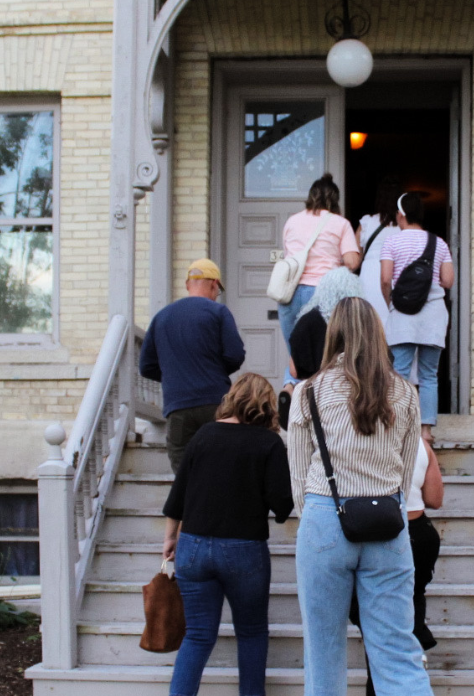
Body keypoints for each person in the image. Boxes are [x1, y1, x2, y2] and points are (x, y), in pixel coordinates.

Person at [287, 296, 433, 696]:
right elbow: (405, 471)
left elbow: (298, 473)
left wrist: (317, 517)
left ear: (333, 333)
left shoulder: (308, 392)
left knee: (323, 651)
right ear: (377, 333)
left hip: (325, 515)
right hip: (387, 516)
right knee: (397, 650)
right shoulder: (404, 392)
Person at [161, 373, 294, 696]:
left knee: (197, 635)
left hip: (192, 546)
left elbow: (178, 496)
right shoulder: (268, 443)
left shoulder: (205, 435)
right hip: (244, 550)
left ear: (232, 398)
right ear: (266, 405)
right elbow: (282, 507)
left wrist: (170, 539)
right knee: (250, 633)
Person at [350, 435, 444, 696]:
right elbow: (435, 499)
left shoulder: (362, 440)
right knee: (412, 597)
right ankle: (414, 642)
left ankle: (390, 671)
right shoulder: (422, 445)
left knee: (372, 613)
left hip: (384, 532)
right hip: (421, 532)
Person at [139, 258, 245, 474]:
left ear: (188, 284)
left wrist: (174, 374)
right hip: (215, 402)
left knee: (184, 474)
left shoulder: (161, 317)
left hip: (177, 405)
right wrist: (213, 370)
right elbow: (235, 355)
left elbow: (146, 366)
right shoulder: (218, 312)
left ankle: (189, 507)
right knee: (220, 467)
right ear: (214, 284)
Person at [277, 173, 360, 418]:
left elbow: (288, 255)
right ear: (334, 199)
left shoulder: (292, 221)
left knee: (296, 351)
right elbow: (351, 261)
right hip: (321, 294)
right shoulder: (340, 223)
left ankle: (289, 389)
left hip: (290, 293)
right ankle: (317, 406)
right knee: (324, 354)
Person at [380, 192, 454, 444]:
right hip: (433, 315)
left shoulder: (391, 243)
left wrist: (391, 303)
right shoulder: (439, 244)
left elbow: (386, 279)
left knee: (398, 373)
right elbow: (448, 280)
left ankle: (398, 428)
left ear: (401, 214)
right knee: (429, 375)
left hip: (403, 315)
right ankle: (425, 433)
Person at [288, 266, 365, 385]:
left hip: (315, 390)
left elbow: (293, 371)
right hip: (357, 389)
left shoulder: (307, 321)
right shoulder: (362, 322)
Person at [357, 176, 402, 329]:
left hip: (369, 276)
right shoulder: (403, 227)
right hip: (394, 276)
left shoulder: (367, 223)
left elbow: (355, 259)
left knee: (370, 328)